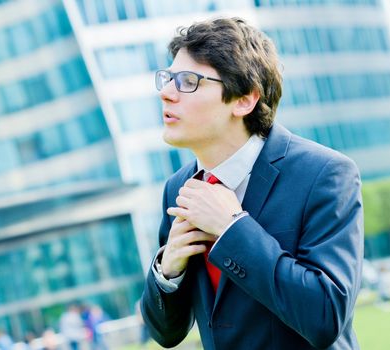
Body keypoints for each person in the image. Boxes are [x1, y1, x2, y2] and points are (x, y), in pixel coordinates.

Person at [140, 17, 364, 350]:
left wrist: (233, 230)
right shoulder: (178, 188)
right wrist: (168, 270)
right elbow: (167, 334)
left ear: (245, 99)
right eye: (168, 78)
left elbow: (325, 316)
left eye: (188, 81)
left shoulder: (326, 174)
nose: (167, 93)